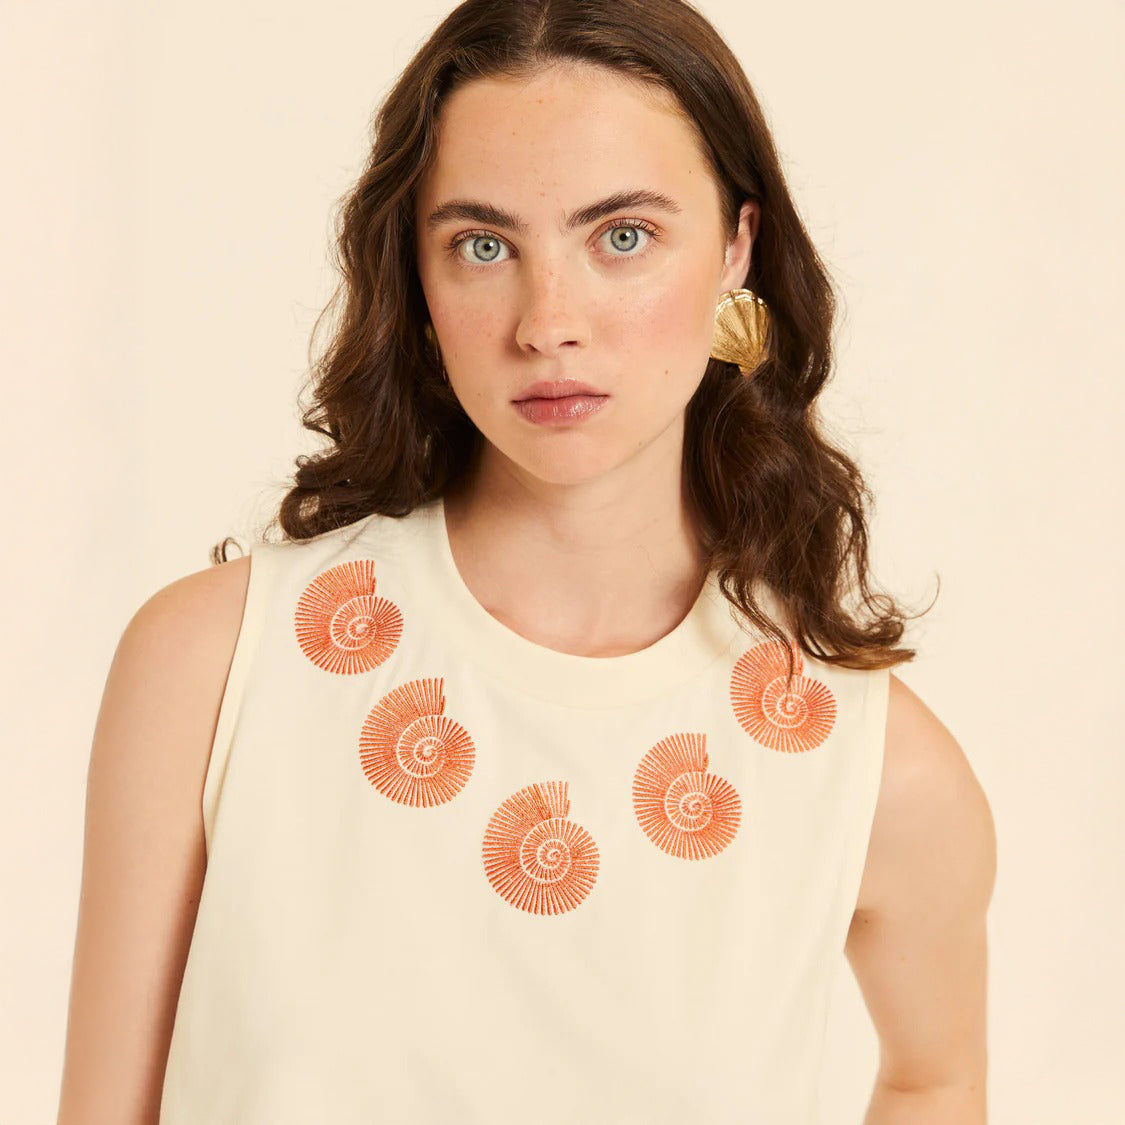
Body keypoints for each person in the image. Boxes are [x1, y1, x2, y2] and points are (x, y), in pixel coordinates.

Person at [56, 1, 996, 1122]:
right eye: (485, 245)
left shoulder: (876, 769)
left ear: (737, 248)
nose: (548, 323)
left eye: (622, 236)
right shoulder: (212, 665)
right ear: (416, 272)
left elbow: (935, 1077)